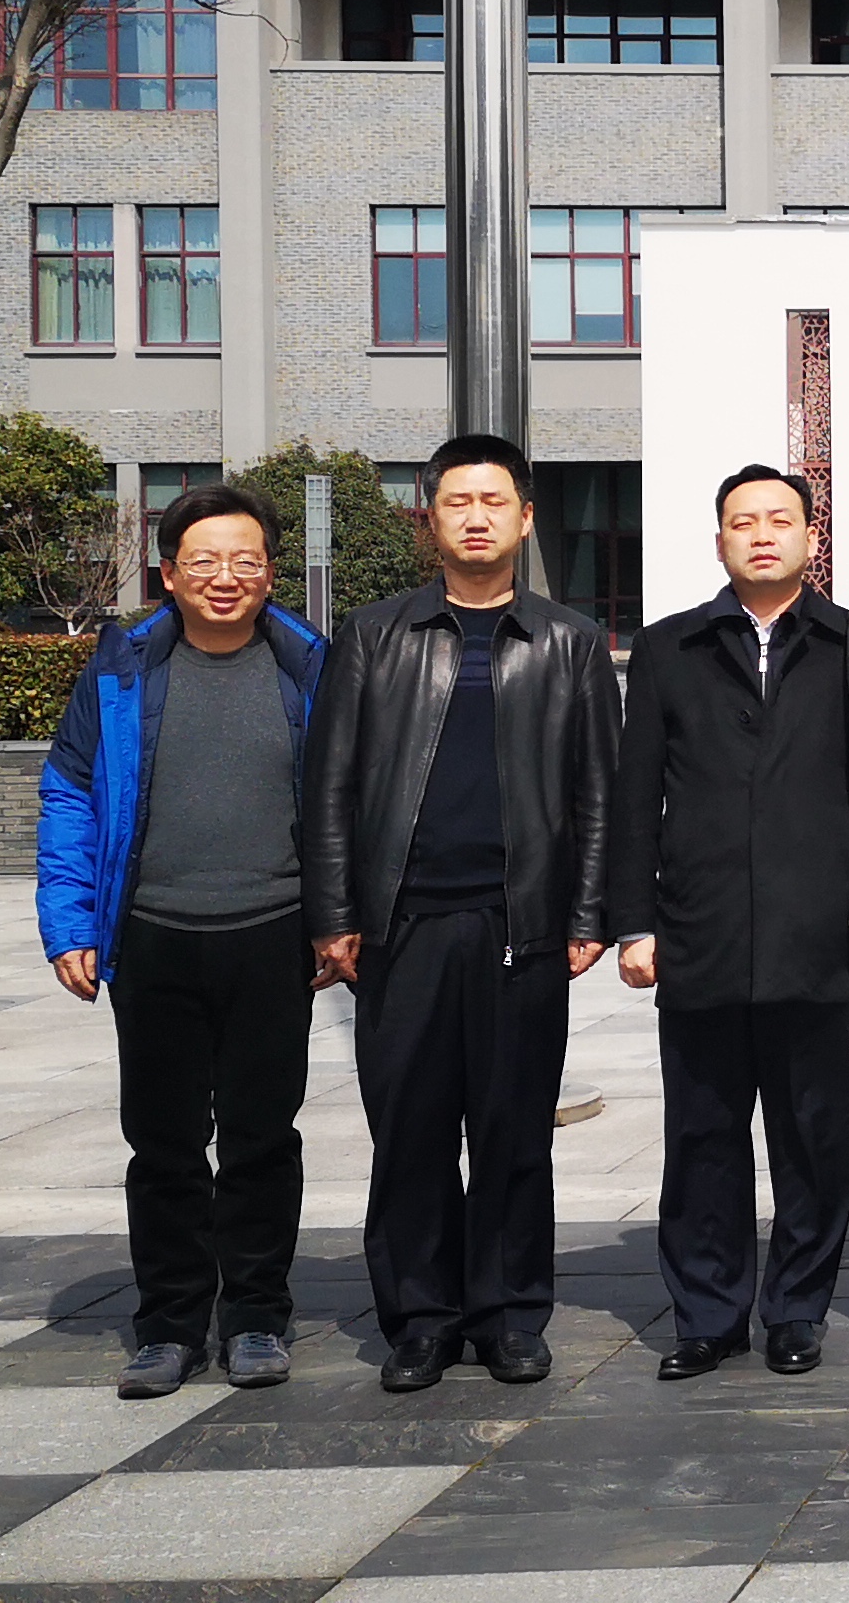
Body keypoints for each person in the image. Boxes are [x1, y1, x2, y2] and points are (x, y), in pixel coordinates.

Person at [301, 434, 622, 1393]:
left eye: (494, 502)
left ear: (525, 518)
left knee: (515, 1132)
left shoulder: (568, 640)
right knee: (410, 1131)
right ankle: (421, 1320)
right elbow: (330, 784)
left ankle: (511, 1316)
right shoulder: (373, 634)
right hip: (400, 928)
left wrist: (589, 913)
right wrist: (334, 911)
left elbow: (599, 791)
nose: (476, 518)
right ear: (431, 518)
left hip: (522, 927)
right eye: (457, 502)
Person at [36, 485, 327, 1400]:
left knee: (261, 1140)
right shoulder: (121, 670)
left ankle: (255, 1318)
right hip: (153, 935)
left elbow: (351, 801)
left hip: (274, 934)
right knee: (162, 1143)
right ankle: (167, 1326)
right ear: (169, 573)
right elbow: (69, 792)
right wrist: (70, 922)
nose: (224, 577)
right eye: (203, 561)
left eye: (245, 560)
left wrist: (340, 919)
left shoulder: (311, 667)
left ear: (271, 573)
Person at [611, 466, 849, 1381]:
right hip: (701, 930)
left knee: (812, 1138)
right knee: (702, 1137)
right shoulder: (671, 647)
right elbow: (635, 797)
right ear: (719, 540)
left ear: (811, 537)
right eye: (743, 522)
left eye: (780, 520)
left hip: (816, 931)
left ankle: (797, 1310)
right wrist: (633, 923)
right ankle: (708, 1315)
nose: (762, 534)